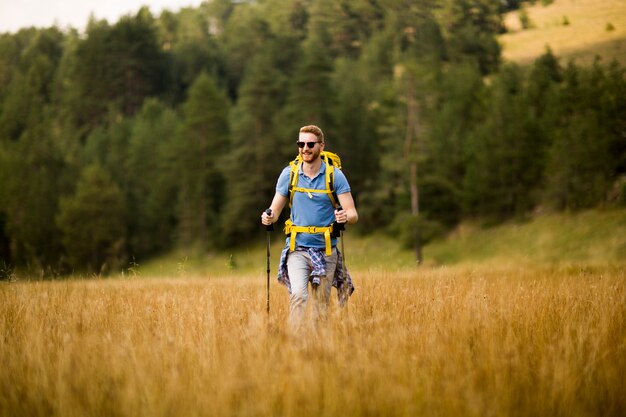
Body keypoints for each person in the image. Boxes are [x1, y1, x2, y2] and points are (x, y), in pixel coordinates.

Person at [261, 125, 358, 330]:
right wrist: (268, 217)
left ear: (321, 146)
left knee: (320, 307)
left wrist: (344, 216)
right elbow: (275, 210)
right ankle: (295, 344)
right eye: (301, 144)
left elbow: (353, 214)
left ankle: (318, 347)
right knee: (298, 295)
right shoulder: (289, 174)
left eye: (310, 144)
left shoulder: (335, 176)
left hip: (326, 250)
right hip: (297, 249)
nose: (305, 148)